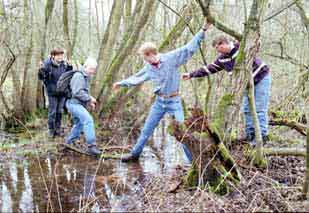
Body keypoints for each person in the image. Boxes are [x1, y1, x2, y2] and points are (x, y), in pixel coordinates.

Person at [113, 19, 210, 162]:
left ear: (150, 54)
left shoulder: (171, 58)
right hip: (159, 102)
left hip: (174, 101)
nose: (144, 61)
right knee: (146, 130)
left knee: (183, 132)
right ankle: (134, 154)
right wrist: (121, 83)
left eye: (144, 58)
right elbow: (136, 78)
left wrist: (203, 30)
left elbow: (189, 48)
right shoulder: (148, 68)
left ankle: (194, 162)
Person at [182, 29, 271, 145]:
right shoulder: (222, 59)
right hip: (245, 84)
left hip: (261, 78)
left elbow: (255, 44)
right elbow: (209, 69)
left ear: (223, 44)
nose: (219, 52)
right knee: (246, 110)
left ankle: (262, 137)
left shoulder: (241, 47)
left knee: (259, 109)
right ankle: (251, 135)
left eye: (219, 49)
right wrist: (190, 74)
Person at [65, 57, 101, 156]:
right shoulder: (78, 76)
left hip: (78, 104)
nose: (93, 71)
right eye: (91, 69)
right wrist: (89, 99)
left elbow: (84, 92)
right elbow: (77, 92)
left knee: (79, 124)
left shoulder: (86, 76)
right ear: (85, 66)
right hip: (73, 103)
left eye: (94, 70)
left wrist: (90, 101)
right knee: (88, 120)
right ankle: (91, 146)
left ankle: (68, 143)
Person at [38, 48, 73, 138]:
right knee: (52, 112)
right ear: (53, 56)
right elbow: (41, 77)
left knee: (59, 111)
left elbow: (67, 75)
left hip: (62, 92)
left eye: (62, 55)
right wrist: (41, 69)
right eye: (58, 55)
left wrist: (69, 67)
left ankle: (58, 129)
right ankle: (51, 130)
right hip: (52, 93)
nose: (61, 57)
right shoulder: (47, 65)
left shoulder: (63, 64)